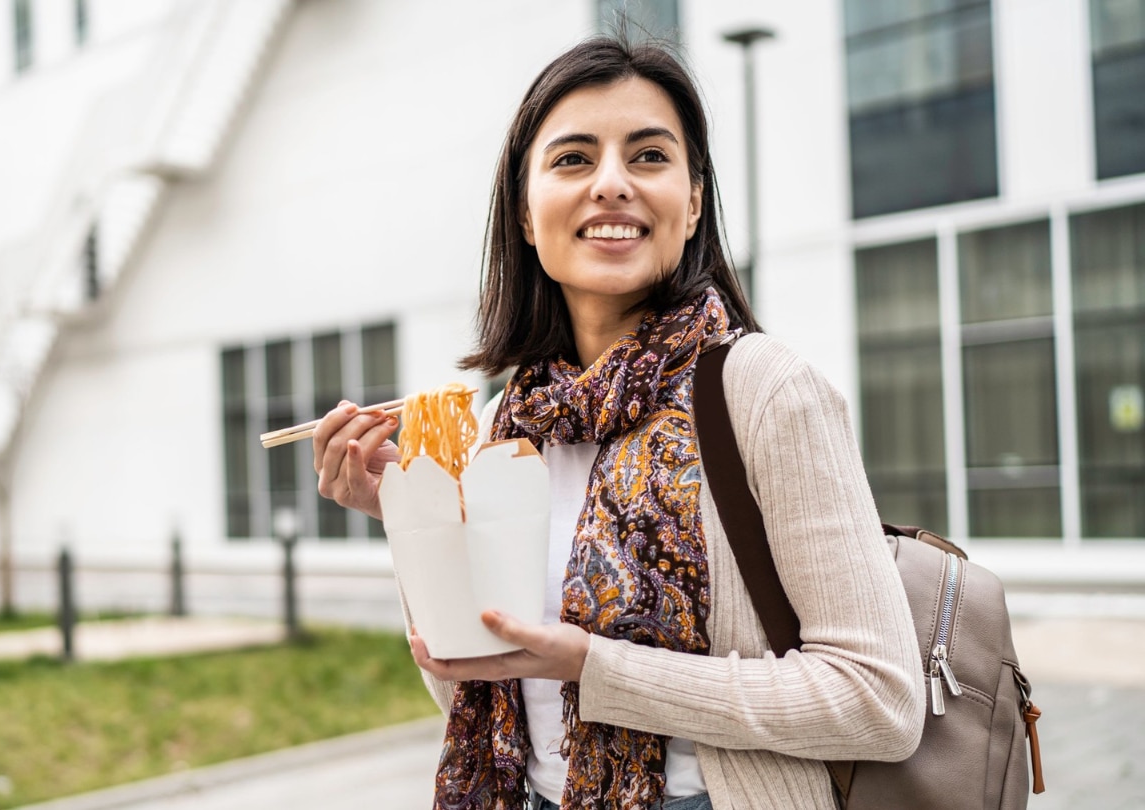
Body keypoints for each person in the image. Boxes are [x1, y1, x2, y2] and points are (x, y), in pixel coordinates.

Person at [311, 36, 924, 810]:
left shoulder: (765, 390)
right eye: (572, 159)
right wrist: (408, 515)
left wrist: (595, 670)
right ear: (527, 215)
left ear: (693, 200)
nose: (610, 185)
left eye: (648, 156)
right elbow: (478, 688)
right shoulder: (512, 422)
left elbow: (878, 701)